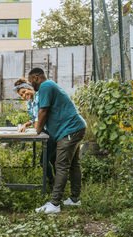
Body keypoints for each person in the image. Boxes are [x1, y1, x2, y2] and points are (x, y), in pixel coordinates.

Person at [28, 68, 86, 214]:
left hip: (70, 130)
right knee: (73, 165)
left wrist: (38, 130)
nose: (30, 85)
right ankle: (74, 199)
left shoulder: (45, 86)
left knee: (61, 165)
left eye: (30, 81)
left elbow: (43, 110)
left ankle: (54, 204)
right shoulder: (50, 85)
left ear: (36, 77)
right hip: (75, 128)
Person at [14, 78, 57, 190]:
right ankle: (55, 183)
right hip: (45, 131)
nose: (24, 96)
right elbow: (34, 118)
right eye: (21, 95)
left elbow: (42, 115)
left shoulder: (40, 96)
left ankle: (53, 183)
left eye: (24, 92)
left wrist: (36, 126)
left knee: (46, 161)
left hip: (52, 131)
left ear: (28, 87)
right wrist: (26, 124)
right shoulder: (30, 103)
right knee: (52, 159)